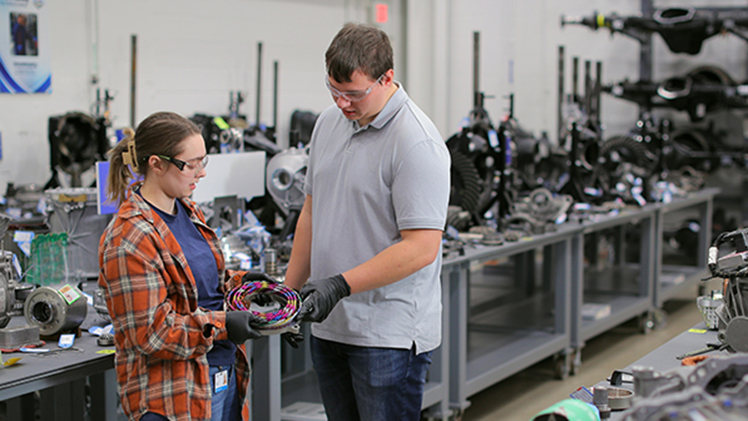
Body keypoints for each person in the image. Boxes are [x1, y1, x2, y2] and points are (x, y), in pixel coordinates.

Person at [284, 23, 451, 420]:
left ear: (387, 78)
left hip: (386, 335)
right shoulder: (328, 123)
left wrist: (338, 285)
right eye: (333, 90)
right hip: (330, 325)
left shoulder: (416, 143)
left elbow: (421, 247)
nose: (342, 102)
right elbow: (312, 210)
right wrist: (289, 296)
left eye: (353, 93)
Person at [98, 111, 271, 421]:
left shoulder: (187, 210)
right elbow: (151, 332)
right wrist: (223, 324)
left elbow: (194, 283)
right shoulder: (129, 236)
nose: (201, 173)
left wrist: (242, 282)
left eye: (203, 161)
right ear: (156, 164)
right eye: (191, 164)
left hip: (221, 372)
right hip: (173, 395)